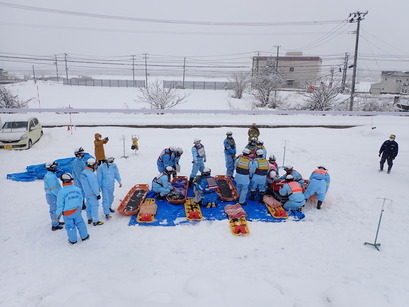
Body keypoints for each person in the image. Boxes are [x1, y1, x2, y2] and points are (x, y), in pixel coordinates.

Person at [56, 173, 89, 244]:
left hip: (67, 213)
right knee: (80, 223)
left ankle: (73, 240)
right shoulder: (77, 189)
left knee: (70, 226)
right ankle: (84, 236)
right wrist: (79, 208)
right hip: (77, 210)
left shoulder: (61, 192)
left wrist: (57, 214)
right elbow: (81, 199)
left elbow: (60, 205)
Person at [80, 158, 104, 226]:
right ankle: (96, 221)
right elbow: (94, 185)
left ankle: (89, 218)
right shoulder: (91, 175)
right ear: (92, 165)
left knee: (88, 207)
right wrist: (97, 194)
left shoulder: (84, 172)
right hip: (92, 194)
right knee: (94, 207)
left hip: (87, 193)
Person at [43, 161, 63, 231]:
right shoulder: (51, 177)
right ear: (50, 168)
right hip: (53, 195)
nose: (55, 168)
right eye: (54, 167)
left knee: (54, 210)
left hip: (51, 195)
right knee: (55, 210)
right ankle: (55, 225)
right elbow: (54, 189)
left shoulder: (50, 175)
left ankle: (56, 222)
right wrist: (60, 195)